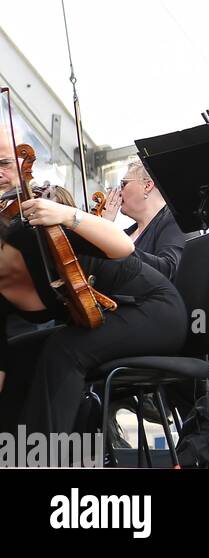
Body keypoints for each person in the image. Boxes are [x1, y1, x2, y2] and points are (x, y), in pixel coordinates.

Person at [0, 129, 186, 434]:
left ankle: (43, 459)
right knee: (19, 351)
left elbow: (123, 247)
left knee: (64, 349)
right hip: (109, 320)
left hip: (155, 310)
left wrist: (67, 214)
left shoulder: (33, 232)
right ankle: (11, 453)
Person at [100, 155, 194, 281]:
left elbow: (168, 269)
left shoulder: (177, 220)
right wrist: (103, 228)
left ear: (147, 185)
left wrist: (116, 244)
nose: (118, 192)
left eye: (123, 184)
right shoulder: (125, 234)